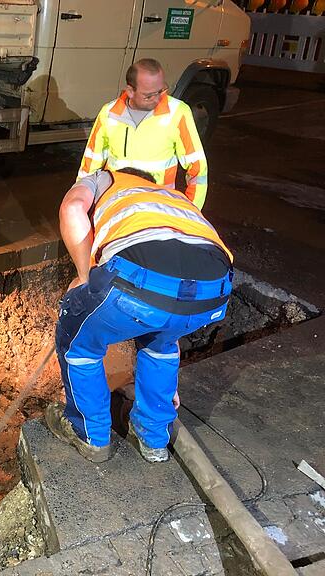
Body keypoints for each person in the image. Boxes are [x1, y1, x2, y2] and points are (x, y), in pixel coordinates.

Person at [46, 168, 233, 463]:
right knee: (162, 341)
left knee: (78, 344)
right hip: (214, 291)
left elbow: (72, 208)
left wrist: (84, 277)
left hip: (139, 280)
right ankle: (154, 437)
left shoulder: (105, 178)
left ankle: (89, 434)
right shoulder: (170, 197)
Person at [76, 58, 209, 210]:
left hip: (158, 206)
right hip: (116, 203)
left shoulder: (178, 113)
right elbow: (90, 164)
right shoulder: (109, 114)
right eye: (148, 96)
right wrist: (82, 202)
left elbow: (198, 169)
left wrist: (191, 211)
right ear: (130, 91)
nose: (157, 99)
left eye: (161, 91)